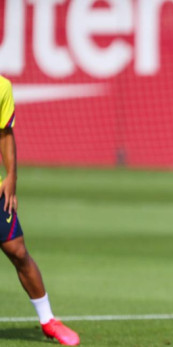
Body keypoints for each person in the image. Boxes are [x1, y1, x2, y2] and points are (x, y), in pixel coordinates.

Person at [0, 76, 80, 346]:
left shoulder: (2, 87)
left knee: (18, 250)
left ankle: (48, 320)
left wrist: (12, 177)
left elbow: (5, 133)